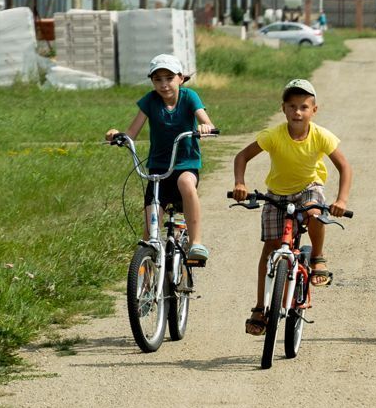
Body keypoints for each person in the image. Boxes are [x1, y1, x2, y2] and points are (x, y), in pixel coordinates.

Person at [232, 78, 352, 336]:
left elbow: (344, 167)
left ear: (314, 110)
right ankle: (260, 307)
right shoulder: (273, 136)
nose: (298, 112)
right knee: (270, 248)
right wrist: (240, 183)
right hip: (277, 194)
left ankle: (318, 257)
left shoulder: (320, 136)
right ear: (283, 109)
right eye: (292, 106)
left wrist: (341, 200)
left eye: (304, 107)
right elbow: (241, 156)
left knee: (315, 214)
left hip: (309, 187)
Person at [105, 53, 215, 261]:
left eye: (169, 78)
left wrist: (206, 126)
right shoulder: (150, 101)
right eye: (158, 79)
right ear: (152, 81)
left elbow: (204, 119)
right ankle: (146, 272)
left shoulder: (189, 97)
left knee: (185, 183)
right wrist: (116, 135)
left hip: (185, 165)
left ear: (180, 78)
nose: (164, 84)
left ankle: (196, 243)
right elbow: (132, 133)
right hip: (158, 169)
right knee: (149, 232)